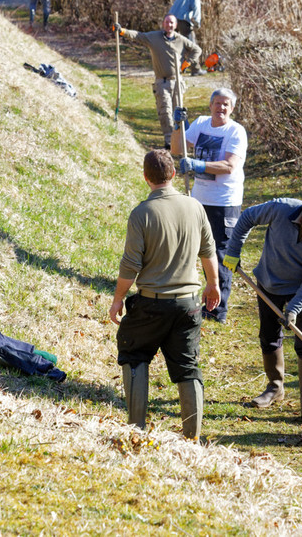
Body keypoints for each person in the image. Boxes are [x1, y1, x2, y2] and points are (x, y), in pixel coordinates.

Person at [108, 149, 220, 439]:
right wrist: (213, 284)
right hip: (189, 305)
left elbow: (130, 265)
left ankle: (136, 430)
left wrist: (118, 298)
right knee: (187, 366)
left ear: (146, 178)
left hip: (150, 305)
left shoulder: (142, 214)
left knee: (134, 354)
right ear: (173, 174)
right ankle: (192, 438)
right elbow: (208, 251)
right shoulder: (195, 207)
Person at [223, 192, 302, 425]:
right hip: (270, 282)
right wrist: (233, 251)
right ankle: (275, 387)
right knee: (269, 335)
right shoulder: (280, 209)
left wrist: (295, 308)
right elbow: (246, 218)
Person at [172, 87, 248, 324]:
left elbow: (229, 166)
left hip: (224, 202)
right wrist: (178, 126)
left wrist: (199, 166)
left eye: (226, 104)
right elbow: (176, 148)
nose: (221, 108)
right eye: (217, 103)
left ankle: (217, 310)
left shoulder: (236, 131)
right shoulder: (201, 123)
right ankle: (187, 296)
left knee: (220, 252)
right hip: (198, 199)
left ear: (232, 108)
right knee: (196, 248)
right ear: (211, 105)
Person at [117, 15, 202, 149]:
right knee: (165, 112)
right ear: (163, 24)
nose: (169, 25)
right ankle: (169, 141)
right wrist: (122, 31)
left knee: (178, 112)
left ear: (175, 25)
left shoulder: (181, 40)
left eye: (172, 23)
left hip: (177, 81)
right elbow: (138, 35)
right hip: (161, 82)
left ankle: (182, 140)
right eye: (167, 22)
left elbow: (197, 50)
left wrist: (187, 63)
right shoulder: (154, 38)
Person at [168, 0, 205, 74]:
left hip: (171, 21)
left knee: (173, 44)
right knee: (191, 45)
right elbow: (196, 8)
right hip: (183, 21)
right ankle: (195, 69)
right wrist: (197, 22)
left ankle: (171, 68)